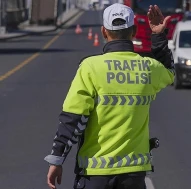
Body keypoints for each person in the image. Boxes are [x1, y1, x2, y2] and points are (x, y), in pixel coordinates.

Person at [44, 3, 174, 189]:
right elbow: (169, 72)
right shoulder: (148, 67)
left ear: (104, 32)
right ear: (134, 31)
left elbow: (73, 118)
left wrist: (57, 159)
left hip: (94, 175)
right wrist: (158, 35)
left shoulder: (90, 67)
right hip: (134, 175)